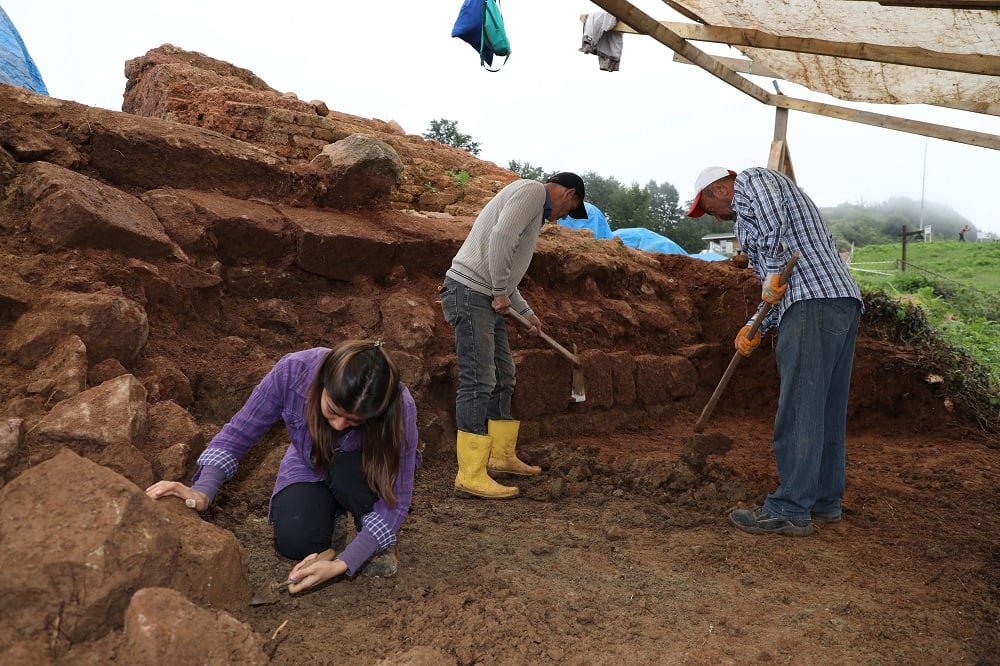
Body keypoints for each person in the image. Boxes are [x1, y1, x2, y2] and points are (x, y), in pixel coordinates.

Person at [145, 340, 420, 590]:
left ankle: (372, 540)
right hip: (311, 462)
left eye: (354, 422)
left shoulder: (400, 408)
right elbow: (239, 433)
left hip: (366, 473)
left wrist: (345, 562)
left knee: (350, 476)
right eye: (333, 412)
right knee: (295, 542)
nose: (337, 425)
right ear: (322, 382)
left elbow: (399, 498)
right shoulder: (294, 371)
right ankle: (330, 519)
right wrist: (202, 490)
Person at [688, 166, 863, 537]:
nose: (713, 215)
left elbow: (775, 235)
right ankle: (822, 501)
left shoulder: (754, 180)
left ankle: (790, 508)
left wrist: (770, 273)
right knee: (825, 409)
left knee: (800, 408)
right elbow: (771, 288)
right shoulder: (745, 226)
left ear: (721, 187)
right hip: (838, 302)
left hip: (811, 302)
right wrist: (755, 327)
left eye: (709, 206)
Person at [439, 172, 588, 499]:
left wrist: (525, 312)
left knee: (503, 376)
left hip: (484, 295)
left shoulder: (532, 205)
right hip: (470, 293)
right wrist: (498, 292)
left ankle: (501, 456)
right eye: (569, 210)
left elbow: (506, 270)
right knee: (478, 380)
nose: (562, 218)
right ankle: (470, 474)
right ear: (569, 194)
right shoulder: (533, 192)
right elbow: (501, 237)